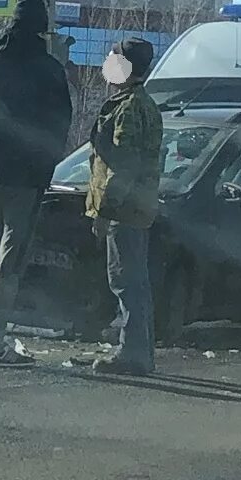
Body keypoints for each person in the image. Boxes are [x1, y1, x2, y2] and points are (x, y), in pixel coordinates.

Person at [0, 0, 72, 367]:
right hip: (26, 179)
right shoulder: (51, 70)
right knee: (9, 263)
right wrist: (47, 164)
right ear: (41, 29)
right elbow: (62, 124)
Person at [86, 38, 164, 376]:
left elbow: (123, 165)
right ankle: (140, 352)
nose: (108, 63)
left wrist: (106, 210)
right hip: (138, 207)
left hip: (125, 210)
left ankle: (131, 354)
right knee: (136, 283)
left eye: (113, 58)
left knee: (125, 282)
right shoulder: (142, 104)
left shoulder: (130, 107)